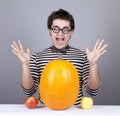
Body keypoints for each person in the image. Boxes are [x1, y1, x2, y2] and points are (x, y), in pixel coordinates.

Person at [11, 9, 108, 106]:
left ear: (71, 32)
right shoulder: (37, 57)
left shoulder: (83, 56)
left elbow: (93, 91)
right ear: (50, 30)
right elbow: (28, 91)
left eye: (65, 29)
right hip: (46, 111)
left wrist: (93, 65)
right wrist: (25, 65)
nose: (60, 33)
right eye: (56, 28)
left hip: (73, 112)